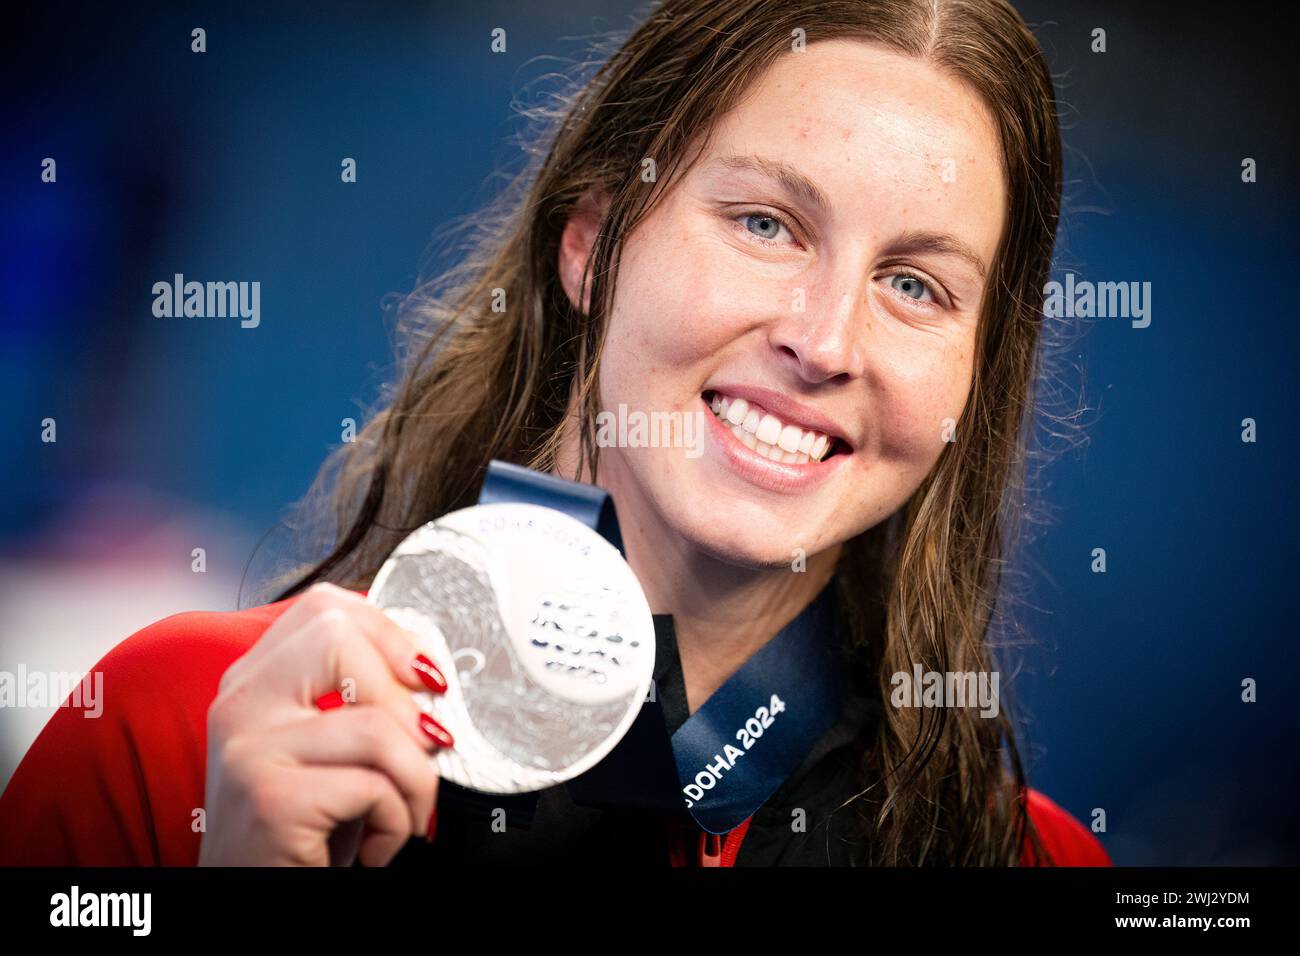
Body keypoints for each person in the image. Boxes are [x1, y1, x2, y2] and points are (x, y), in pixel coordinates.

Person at [0, 0, 1110, 867]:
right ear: (590, 240)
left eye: (915, 284)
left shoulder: (1035, 856)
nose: (823, 339)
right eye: (765, 222)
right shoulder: (183, 733)